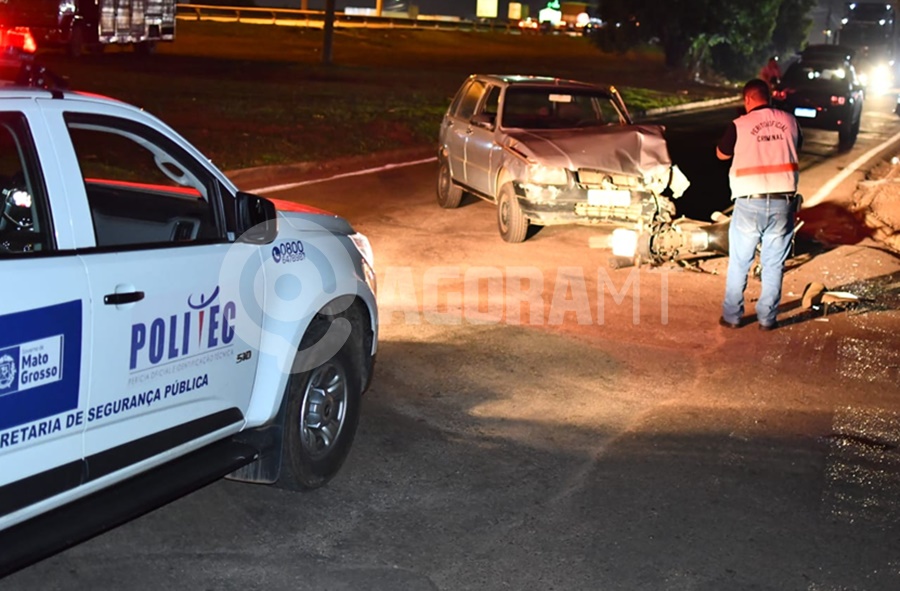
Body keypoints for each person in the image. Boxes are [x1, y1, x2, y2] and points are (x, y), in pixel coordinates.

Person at [716, 78, 802, 331]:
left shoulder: (740, 124)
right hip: (782, 203)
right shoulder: (790, 121)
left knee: (740, 262)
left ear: (748, 99)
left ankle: (732, 317)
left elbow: (721, 154)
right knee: (774, 264)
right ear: (770, 97)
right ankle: (767, 319)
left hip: (748, 204)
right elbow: (798, 145)